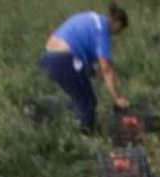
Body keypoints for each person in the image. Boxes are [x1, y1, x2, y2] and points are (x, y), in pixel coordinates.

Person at [40, 5, 130, 133]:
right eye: (119, 31)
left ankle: (48, 109)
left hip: (50, 56)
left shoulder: (93, 18)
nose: (116, 34)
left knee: (80, 94)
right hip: (64, 59)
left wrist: (103, 77)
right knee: (87, 102)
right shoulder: (102, 31)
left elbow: (96, 66)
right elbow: (106, 69)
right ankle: (85, 135)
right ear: (117, 24)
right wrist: (118, 98)